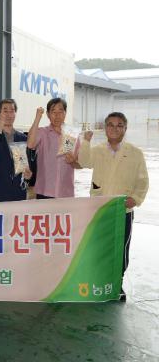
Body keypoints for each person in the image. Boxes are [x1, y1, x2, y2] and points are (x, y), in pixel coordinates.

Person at [77, 112, 149, 301]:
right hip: (100, 209)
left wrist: (135, 198)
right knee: (98, 247)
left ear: (125, 128)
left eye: (119, 125)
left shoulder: (135, 153)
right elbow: (84, 162)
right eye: (110, 125)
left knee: (120, 248)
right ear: (105, 128)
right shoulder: (98, 150)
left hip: (122, 210)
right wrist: (86, 142)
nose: (114, 129)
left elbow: (143, 181)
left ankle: (117, 283)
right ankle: (99, 282)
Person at [26, 97, 79, 199]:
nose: (57, 115)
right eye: (53, 112)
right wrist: (37, 117)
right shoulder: (42, 132)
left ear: (65, 113)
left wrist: (73, 162)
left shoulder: (72, 135)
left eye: (60, 111)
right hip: (45, 190)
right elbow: (30, 144)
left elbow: (80, 164)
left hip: (66, 191)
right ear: (47, 114)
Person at [0, 99, 33, 202]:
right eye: (5, 111)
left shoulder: (23, 138)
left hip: (18, 193)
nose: (9, 115)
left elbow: (27, 165)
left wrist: (28, 175)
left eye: (12, 111)